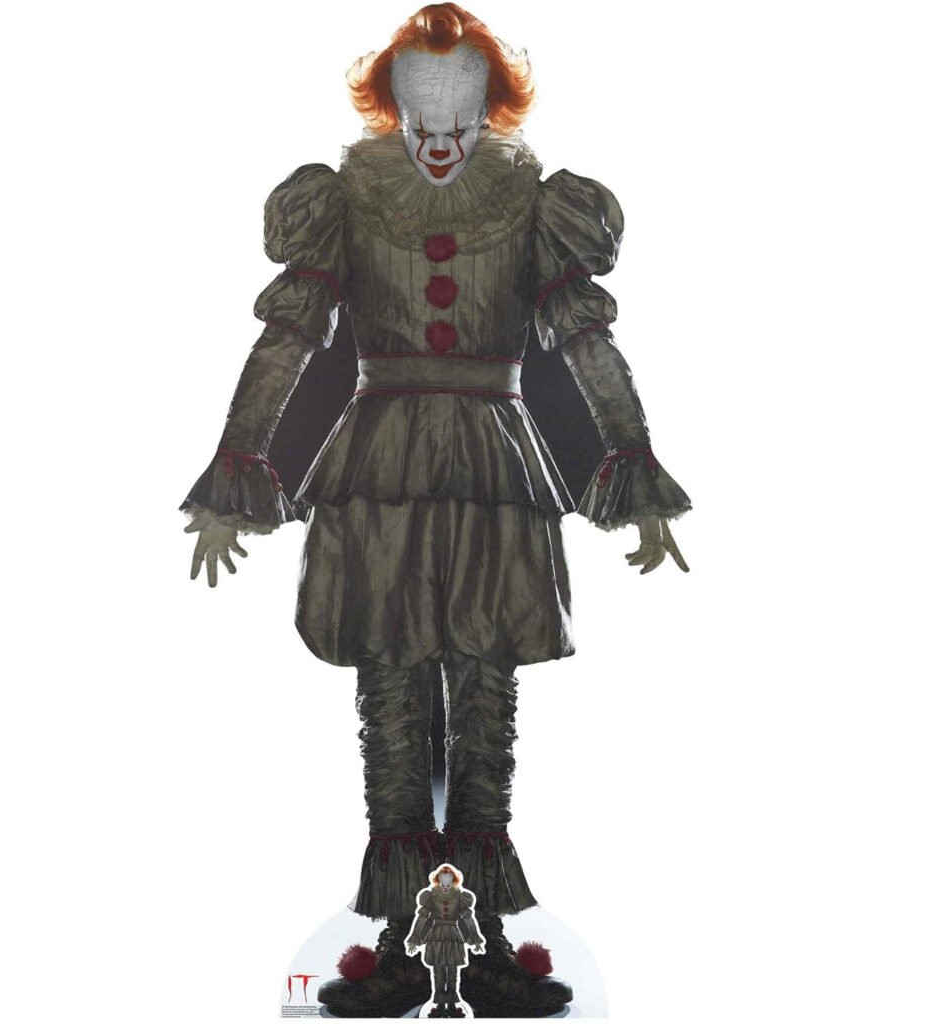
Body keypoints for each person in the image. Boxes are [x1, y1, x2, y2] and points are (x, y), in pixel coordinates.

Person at [179, 3, 691, 1016]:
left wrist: (634, 469)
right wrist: (237, 471)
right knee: (393, 699)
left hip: (495, 463)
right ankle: (401, 941)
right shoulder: (344, 199)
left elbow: (586, 342)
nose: (442, 141)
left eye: (459, 119)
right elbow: (289, 337)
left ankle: (482, 934)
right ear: (393, 110)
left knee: (488, 700)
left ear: (491, 109)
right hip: (380, 461)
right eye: (422, 120)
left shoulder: (538, 203)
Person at [405, 863, 485, 1018]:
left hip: (454, 935)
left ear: (453, 880)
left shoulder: (460, 896)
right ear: (438, 879)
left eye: (448, 878)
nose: (445, 881)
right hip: (436, 935)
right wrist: (415, 938)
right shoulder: (431, 895)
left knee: (453, 969)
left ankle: (453, 1002)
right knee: (438, 969)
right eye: (443, 878)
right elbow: (422, 917)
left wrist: (475, 938)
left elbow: (467, 917)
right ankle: (440, 1003)